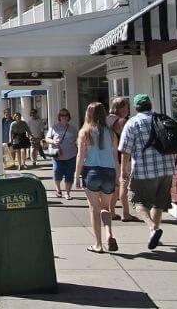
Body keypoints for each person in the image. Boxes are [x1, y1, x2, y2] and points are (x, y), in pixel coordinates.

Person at [118, 93, 177, 250]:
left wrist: (123, 170)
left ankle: (153, 227)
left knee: (137, 202)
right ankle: (153, 233)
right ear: (150, 105)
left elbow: (125, 149)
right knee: (158, 203)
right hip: (167, 168)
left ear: (136, 107)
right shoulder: (162, 119)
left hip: (144, 171)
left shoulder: (133, 123)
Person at [74, 102, 120, 253]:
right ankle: (109, 234)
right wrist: (117, 177)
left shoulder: (85, 132)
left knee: (94, 208)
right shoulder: (111, 133)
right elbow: (115, 158)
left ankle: (98, 244)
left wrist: (77, 176)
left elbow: (81, 156)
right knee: (106, 208)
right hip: (109, 172)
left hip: (91, 172)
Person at [106, 97, 136, 222]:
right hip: (121, 156)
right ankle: (125, 213)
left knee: (115, 186)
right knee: (122, 184)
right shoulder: (121, 121)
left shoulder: (106, 119)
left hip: (108, 157)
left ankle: (111, 212)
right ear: (120, 108)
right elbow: (127, 141)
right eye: (126, 107)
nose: (127, 110)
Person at [46, 109, 79, 200]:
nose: (64, 117)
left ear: (68, 117)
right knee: (57, 172)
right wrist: (53, 141)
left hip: (71, 155)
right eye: (62, 115)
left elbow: (78, 141)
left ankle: (67, 193)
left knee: (69, 174)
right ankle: (58, 189)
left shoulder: (73, 129)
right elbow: (47, 138)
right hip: (58, 155)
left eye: (66, 115)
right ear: (59, 117)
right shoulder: (54, 127)